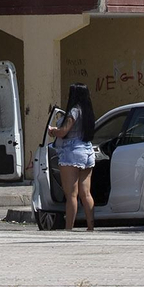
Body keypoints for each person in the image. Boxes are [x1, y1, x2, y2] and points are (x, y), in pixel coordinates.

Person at [48, 83, 97, 231]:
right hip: (87, 150)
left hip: (72, 152)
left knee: (71, 195)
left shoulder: (74, 111)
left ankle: (69, 228)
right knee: (86, 193)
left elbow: (63, 131)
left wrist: (53, 131)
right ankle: (90, 226)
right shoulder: (88, 112)